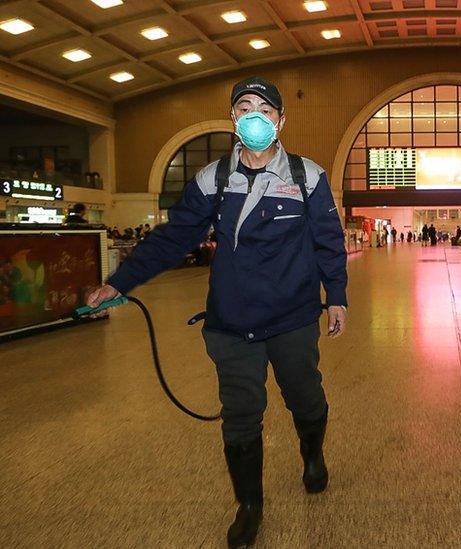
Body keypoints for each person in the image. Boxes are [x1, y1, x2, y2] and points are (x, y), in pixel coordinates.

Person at [84, 76, 348, 548]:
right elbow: (172, 239)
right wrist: (118, 281)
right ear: (232, 119)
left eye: (265, 109)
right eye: (244, 107)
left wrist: (339, 298)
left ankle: (313, 453)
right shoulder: (213, 180)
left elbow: (328, 242)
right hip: (232, 323)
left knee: (305, 399)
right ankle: (249, 505)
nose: (254, 116)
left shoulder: (308, 177)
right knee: (241, 415)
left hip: (293, 317)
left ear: (281, 121)